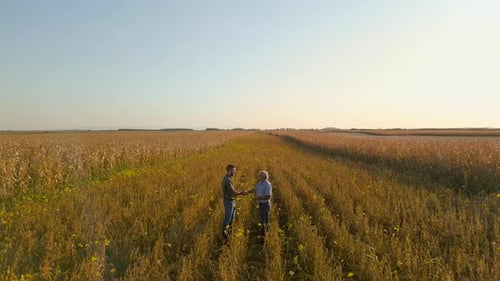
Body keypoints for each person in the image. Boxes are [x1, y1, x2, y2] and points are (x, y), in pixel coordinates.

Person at [221, 164, 247, 240]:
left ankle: (229, 234)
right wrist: (242, 193)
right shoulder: (227, 180)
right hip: (228, 202)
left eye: (234, 170)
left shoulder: (229, 178)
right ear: (229, 170)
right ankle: (224, 235)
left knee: (232, 219)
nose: (234, 172)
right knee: (228, 219)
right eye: (233, 170)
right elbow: (233, 193)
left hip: (232, 201)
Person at [247, 170, 272, 237]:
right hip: (261, 204)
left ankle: (265, 235)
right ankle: (263, 233)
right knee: (262, 219)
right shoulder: (260, 183)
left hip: (265, 204)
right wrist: (247, 191)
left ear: (264, 177)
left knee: (265, 219)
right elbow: (255, 189)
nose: (259, 177)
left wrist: (258, 198)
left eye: (260, 175)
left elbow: (268, 196)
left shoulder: (267, 185)